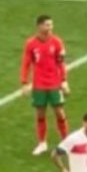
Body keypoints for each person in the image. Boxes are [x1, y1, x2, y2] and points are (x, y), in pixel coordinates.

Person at [21, 15, 70, 156]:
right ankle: (42, 143)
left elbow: (61, 63)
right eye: (47, 25)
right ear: (39, 26)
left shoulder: (57, 42)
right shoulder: (30, 44)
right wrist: (24, 82)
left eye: (51, 25)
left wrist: (64, 80)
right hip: (39, 85)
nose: (50, 28)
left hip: (54, 83)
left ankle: (65, 142)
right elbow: (26, 63)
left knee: (60, 113)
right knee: (40, 114)